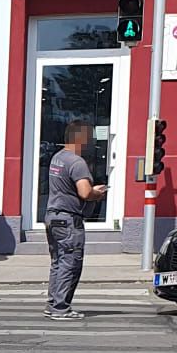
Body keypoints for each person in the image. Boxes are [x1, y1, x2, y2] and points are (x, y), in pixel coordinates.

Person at [45, 119, 108, 320]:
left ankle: (52, 303)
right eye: (89, 137)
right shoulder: (77, 162)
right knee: (70, 263)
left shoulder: (58, 158)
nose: (91, 142)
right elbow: (84, 192)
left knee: (57, 262)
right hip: (69, 220)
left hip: (52, 216)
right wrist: (97, 193)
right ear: (80, 138)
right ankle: (61, 308)